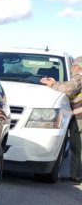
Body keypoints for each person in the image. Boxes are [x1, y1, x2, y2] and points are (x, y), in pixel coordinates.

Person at [41, 56, 82, 184]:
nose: (71, 69)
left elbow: (69, 88)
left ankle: (76, 176)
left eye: (72, 67)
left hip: (80, 117)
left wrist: (53, 84)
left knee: (77, 146)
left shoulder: (79, 77)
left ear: (78, 67)